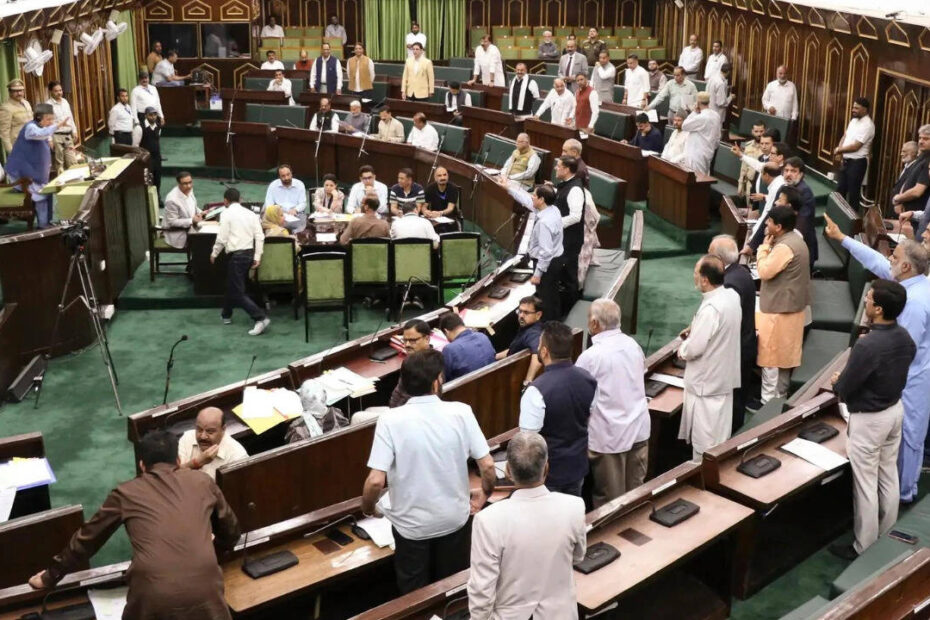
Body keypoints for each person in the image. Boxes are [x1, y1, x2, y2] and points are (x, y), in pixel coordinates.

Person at [28, 430, 240, 616]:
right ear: (177, 460)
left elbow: (87, 540)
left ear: (142, 466)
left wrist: (50, 576)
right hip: (208, 597)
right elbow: (231, 532)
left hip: (152, 600)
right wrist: (210, 555)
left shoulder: (125, 493)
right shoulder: (203, 482)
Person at [363, 349, 495, 593]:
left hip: (411, 529)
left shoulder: (389, 420)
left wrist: (368, 509)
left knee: (414, 597)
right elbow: (487, 465)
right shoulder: (462, 412)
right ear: (437, 381)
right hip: (455, 521)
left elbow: (375, 482)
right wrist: (485, 492)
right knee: (452, 591)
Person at [824, 217, 930, 505]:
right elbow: (878, 263)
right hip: (909, 377)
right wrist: (842, 238)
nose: (890, 259)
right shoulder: (909, 281)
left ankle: (905, 494)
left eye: (895, 257)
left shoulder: (915, 302)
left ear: (906, 267)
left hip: (913, 380)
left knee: (909, 438)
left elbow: (900, 352)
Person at [828, 281, 916, 560]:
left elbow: (845, 387)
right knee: (888, 474)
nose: (865, 301)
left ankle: (863, 546)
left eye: (868, 298)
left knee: (866, 484)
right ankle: (887, 534)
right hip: (894, 411)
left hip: (870, 420)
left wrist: (837, 381)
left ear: (878, 309)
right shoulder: (905, 337)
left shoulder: (867, 345)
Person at [468, 431, 586, 619]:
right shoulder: (574, 506)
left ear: (508, 471)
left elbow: (482, 589)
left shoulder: (487, 520)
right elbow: (578, 557)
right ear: (546, 469)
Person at [577, 299, 650, 505]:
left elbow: (578, 396)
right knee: (636, 496)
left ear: (594, 323)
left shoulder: (590, 357)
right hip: (638, 430)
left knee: (611, 502)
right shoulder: (633, 345)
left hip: (609, 437)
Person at [519, 322, 596, 496]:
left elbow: (528, 441)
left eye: (539, 345)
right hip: (577, 467)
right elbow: (589, 418)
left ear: (544, 351)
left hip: (547, 476)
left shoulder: (535, 391)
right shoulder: (589, 380)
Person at [678, 255, 742, 458]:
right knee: (720, 440)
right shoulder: (732, 296)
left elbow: (693, 349)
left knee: (703, 447)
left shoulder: (710, 309)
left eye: (696, 273)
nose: (694, 276)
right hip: (723, 381)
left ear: (705, 279)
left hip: (706, 387)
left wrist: (682, 348)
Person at [756, 206, 810, 403]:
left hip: (779, 310)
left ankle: (767, 403)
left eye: (769, 221)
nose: (766, 224)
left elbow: (764, 271)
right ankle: (780, 398)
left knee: (771, 359)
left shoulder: (784, 247)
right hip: (792, 308)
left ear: (778, 227)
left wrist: (763, 249)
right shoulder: (797, 239)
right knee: (785, 359)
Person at [709, 235, 756, 430]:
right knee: (739, 397)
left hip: (736, 350)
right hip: (745, 343)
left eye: (709, 254)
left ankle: (731, 437)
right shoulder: (741, 272)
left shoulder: (729, 284)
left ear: (718, 259)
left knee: (733, 400)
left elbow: (726, 323)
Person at [503, 183, 565, 320]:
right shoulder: (553, 209)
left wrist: (537, 274)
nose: (532, 197)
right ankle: (556, 323)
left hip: (547, 264)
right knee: (553, 296)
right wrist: (509, 188)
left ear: (542, 199)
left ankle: (548, 327)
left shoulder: (544, 223)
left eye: (535, 195)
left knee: (545, 300)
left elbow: (546, 252)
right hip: (556, 260)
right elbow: (527, 201)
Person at [211, 188, 268, 335]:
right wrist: (257, 256)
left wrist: (214, 253)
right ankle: (226, 314)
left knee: (237, 291)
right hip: (249, 255)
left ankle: (260, 318)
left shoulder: (226, 214)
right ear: (240, 199)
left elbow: (222, 237)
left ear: (225, 201)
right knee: (232, 285)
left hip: (236, 256)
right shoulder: (251, 214)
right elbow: (260, 236)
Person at [5, 104, 69, 228]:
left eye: (52, 119)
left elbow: (45, 135)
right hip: (21, 175)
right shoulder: (30, 127)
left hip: (33, 172)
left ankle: (46, 222)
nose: (51, 122)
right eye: (48, 119)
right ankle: (43, 225)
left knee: (48, 192)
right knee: (42, 195)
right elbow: (40, 134)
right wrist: (57, 126)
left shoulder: (41, 126)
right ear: (39, 117)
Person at [178, 407, 249, 480]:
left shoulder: (237, 457)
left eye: (210, 432)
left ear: (223, 429)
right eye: (199, 430)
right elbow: (173, 476)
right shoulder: (187, 438)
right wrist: (196, 463)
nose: (203, 436)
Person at [833, 97, 874, 212]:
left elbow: (856, 146)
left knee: (853, 194)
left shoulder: (868, 125)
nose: (853, 110)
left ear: (865, 109)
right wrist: (840, 151)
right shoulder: (853, 121)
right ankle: (837, 215)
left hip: (857, 164)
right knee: (840, 190)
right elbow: (845, 136)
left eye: (856, 108)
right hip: (846, 161)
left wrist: (839, 150)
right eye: (853, 107)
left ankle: (852, 220)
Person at [554, 156, 584, 307]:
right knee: (564, 274)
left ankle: (573, 309)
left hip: (570, 240)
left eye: (558, 166)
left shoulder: (575, 189)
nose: (556, 168)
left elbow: (575, 216)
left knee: (569, 276)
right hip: (564, 238)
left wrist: (554, 223)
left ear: (566, 169)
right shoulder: (566, 185)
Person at [496, 296, 545, 385]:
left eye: (526, 312)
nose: (521, 316)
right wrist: (495, 357)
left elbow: (538, 353)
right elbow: (512, 350)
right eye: (520, 311)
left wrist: (527, 382)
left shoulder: (533, 334)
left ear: (538, 315)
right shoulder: (527, 327)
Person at [744, 163, 788, 256]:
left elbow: (767, 214)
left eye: (761, 173)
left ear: (767, 175)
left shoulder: (777, 187)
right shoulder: (778, 183)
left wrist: (752, 242)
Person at [389, 319, 434, 407]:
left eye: (412, 340)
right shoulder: (410, 361)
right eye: (405, 340)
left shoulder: (431, 365)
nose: (407, 345)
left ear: (427, 339)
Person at [440, 313, 495, 380]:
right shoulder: (482, 336)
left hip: (471, 385)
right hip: (494, 381)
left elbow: (445, 378)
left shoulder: (449, 349)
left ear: (446, 331)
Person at [893, 128, 930, 218]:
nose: (921, 141)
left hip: (917, 213)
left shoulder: (928, 161)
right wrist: (899, 201)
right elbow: (907, 180)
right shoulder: (921, 157)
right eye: (920, 138)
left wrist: (898, 198)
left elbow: (917, 191)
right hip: (906, 212)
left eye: (926, 139)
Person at [681, 91, 719, 175]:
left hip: (696, 154)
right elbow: (717, 137)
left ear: (698, 103)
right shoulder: (716, 115)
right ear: (709, 102)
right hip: (708, 152)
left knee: (696, 178)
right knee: (704, 177)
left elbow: (684, 126)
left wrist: (694, 112)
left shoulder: (701, 117)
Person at [46, 81, 78, 176]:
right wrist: (49, 140)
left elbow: (70, 117)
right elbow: (46, 124)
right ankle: (62, 183)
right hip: (56, 136)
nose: (59, 93)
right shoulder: (48, 105)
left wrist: (74, 131)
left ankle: (75, 181)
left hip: (68, 135)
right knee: (59, 164)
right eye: (56, 91)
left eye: (60, 90)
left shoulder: (65, 102)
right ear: (50, 92)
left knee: (72, 160)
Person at [264, 164, 307, 233]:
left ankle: (295, 237)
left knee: (301, 228)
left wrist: (295, 210)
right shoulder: (273, 185)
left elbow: (303, 203)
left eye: (288, 174)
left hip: (296, 215)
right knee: (269, 225)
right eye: (283, 176)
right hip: (278, 215)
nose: (286, 178)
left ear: (291, 174)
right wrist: (277, 213)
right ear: (279, 177)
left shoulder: (300, 184)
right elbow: (269, 204)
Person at [163, 171, 201, 249]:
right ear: (179, 184)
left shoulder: (189, 189)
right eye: (185, 183)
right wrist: (191, 220)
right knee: (205, 241)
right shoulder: (172, 200)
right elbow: (172, 222)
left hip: (191, 228)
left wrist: (202, 212)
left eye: (190, 182)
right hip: (178, 234)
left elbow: (193, 206)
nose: (189, 186)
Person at [735, 121, 768, 203]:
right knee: (749, 206)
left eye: (761, 131)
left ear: (765, 131)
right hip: (749, 183)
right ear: (752, 131)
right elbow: (744, 166)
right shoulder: (748, 145)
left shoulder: (767, 148)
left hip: (761, 185)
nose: (759, 134)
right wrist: (741, 183)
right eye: (756, 131)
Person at [0, 79, 33, 155]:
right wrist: (11, 151)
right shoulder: (6, 108)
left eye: (21, 90)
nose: (19, 93)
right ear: (10, 92)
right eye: (15, 91)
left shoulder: (26, 103)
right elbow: (4, 133)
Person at [139, 107, 163, 196]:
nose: (153, 117)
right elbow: (136, 145)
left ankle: (157, 197)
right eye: (150, 115)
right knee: (148, 179)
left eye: (155, 115)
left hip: (157, 157)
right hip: (147, 158)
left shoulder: (158, 126)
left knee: (157, 178)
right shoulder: (140, 128)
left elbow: (157, 140)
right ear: (146, 116)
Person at [706, 62, 735, 130]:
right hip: (717, 114)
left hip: (708, 111)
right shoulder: (720, 83)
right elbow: (721, 103)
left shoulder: (712, 78)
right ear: (729, 72)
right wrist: (731, 97)